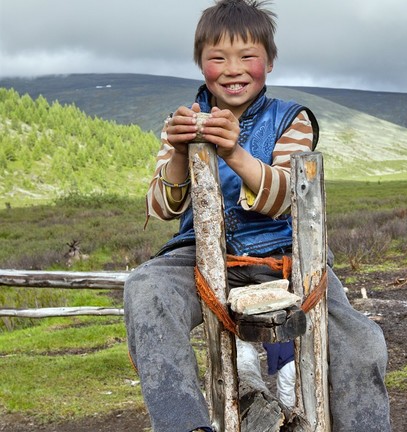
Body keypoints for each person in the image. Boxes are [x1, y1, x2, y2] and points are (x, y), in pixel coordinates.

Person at [122, 1, 391, 431]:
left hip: (286, 254)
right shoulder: (183, 123)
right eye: (217, 57)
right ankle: (184, 425)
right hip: (198, 255)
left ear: (269, 60)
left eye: (247, 56)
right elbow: (160, 208)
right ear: (199, 63)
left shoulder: (292, 120)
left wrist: (234, 153)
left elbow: (289, 197)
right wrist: (177, 153)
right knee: (145, 289)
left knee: (360, 343)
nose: (233, 69)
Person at [263, 341, 297, 409]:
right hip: (300, 357)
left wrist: (272, 369)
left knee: (286, 391)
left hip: (287, 363)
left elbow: (273, 348)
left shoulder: (269, 332)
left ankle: (288, 413)